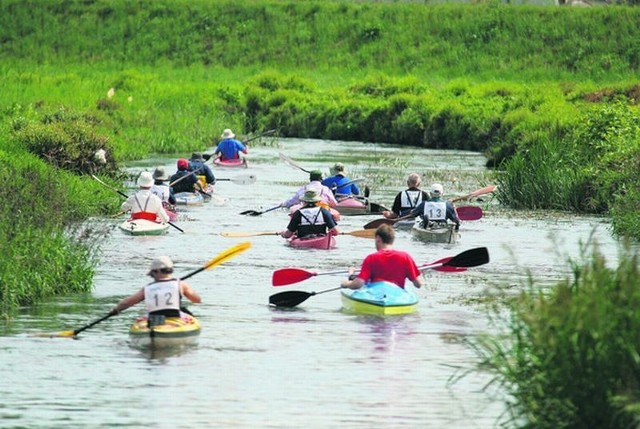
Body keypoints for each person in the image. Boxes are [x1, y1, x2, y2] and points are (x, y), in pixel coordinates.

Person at [110, 256, 201, 322]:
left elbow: (127, 303)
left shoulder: (148, 288)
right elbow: (197, 300)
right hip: (176, 318)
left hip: (154, 320)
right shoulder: (180, 284)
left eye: (152, 273)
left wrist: (116, 310)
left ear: (157, 271)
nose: (152, 276)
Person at [340, 224, 423, 290]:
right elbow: (418, 284)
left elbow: (359, 284)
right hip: (396, 296)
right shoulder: (405, 257)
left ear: (378, 239)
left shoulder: (371, 258)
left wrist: (346, 284)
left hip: (376, 296)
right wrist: (416, 272)